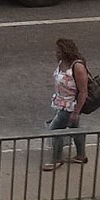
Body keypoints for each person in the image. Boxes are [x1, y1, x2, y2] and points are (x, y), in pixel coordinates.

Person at [42, 38, 90, 170]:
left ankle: (57, 159)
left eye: (59, 50)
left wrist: (76, 112)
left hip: (70, 106)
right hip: (60, 102)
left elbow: (83, 92)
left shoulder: (77, 67)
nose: (56, 53)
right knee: (75, 129)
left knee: (54, 131)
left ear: (66, 51)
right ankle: (81, 155)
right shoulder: (62, 63)